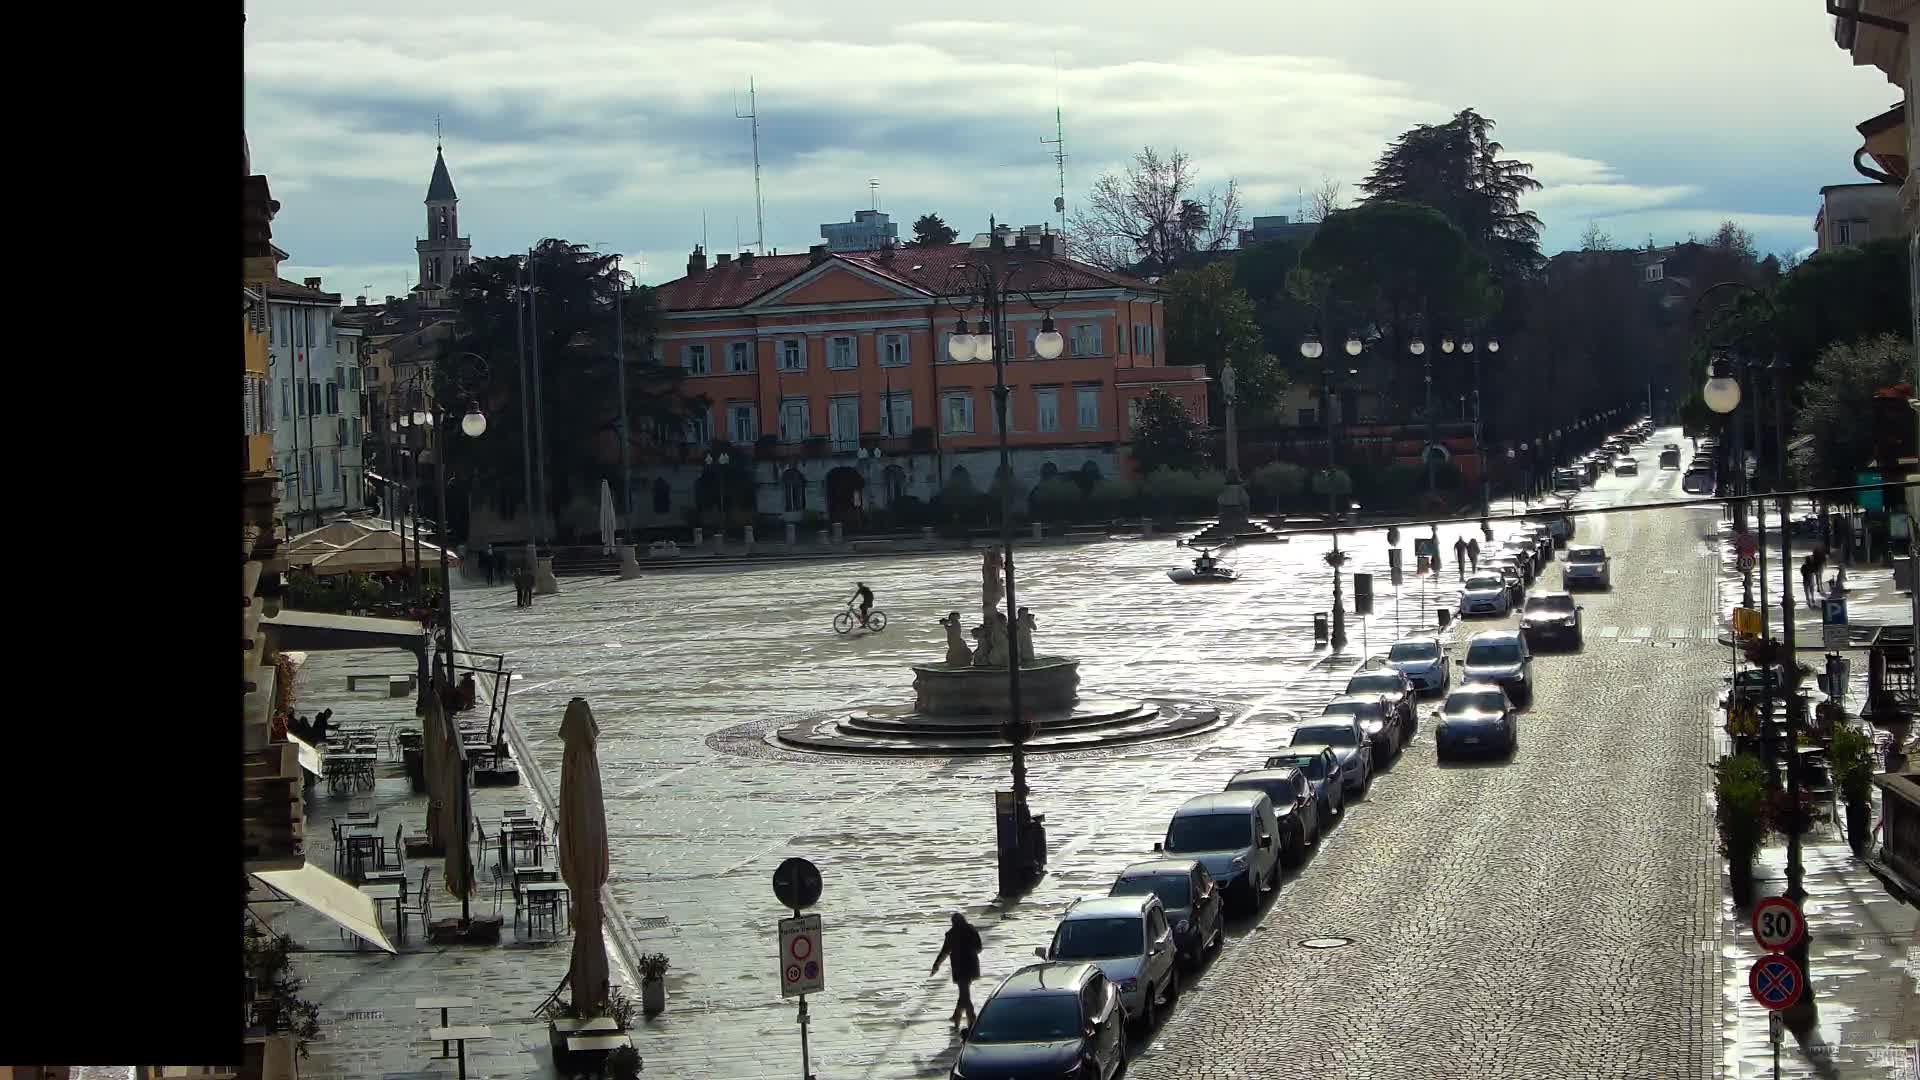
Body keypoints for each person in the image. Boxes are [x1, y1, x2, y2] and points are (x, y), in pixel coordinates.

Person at [931, 912, 983, 1028]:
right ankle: (957, 1015)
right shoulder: (971, 929)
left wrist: (936, 965)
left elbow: (944, 952)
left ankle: (972, 1018)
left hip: (959, 967)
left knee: (964, 993)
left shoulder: (951, 934)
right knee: (964, 991)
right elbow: (979, 947)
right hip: (971, 965)